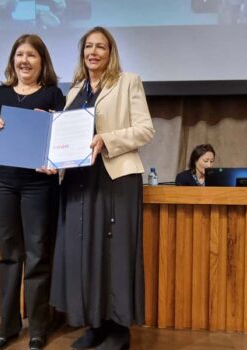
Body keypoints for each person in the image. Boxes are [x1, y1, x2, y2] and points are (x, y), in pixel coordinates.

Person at [47, 26, 155, 350]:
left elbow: (146, 130)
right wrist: (52, 155)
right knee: (83, 255)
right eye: (88, 47)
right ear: (82, 53)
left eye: (101, 47)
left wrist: (107, 139)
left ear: (111, 52)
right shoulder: (75, 90)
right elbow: (67, 137)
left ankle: (119, 331)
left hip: (115, 178)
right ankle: (94, 325)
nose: (93, 52)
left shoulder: (128, 82)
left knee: (116, 255)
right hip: (79, 181)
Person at [0, 34, 65, 350]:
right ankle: (7, 326)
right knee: (9, 255)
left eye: (31, 55)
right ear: (13, 60)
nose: (24, 60)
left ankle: (38, 327)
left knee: (39, 255)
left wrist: (53, 124)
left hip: (39, 184)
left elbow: (62, 145)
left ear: (42, 62)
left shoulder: (54, 95)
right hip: (2, 181)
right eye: (19, 54)